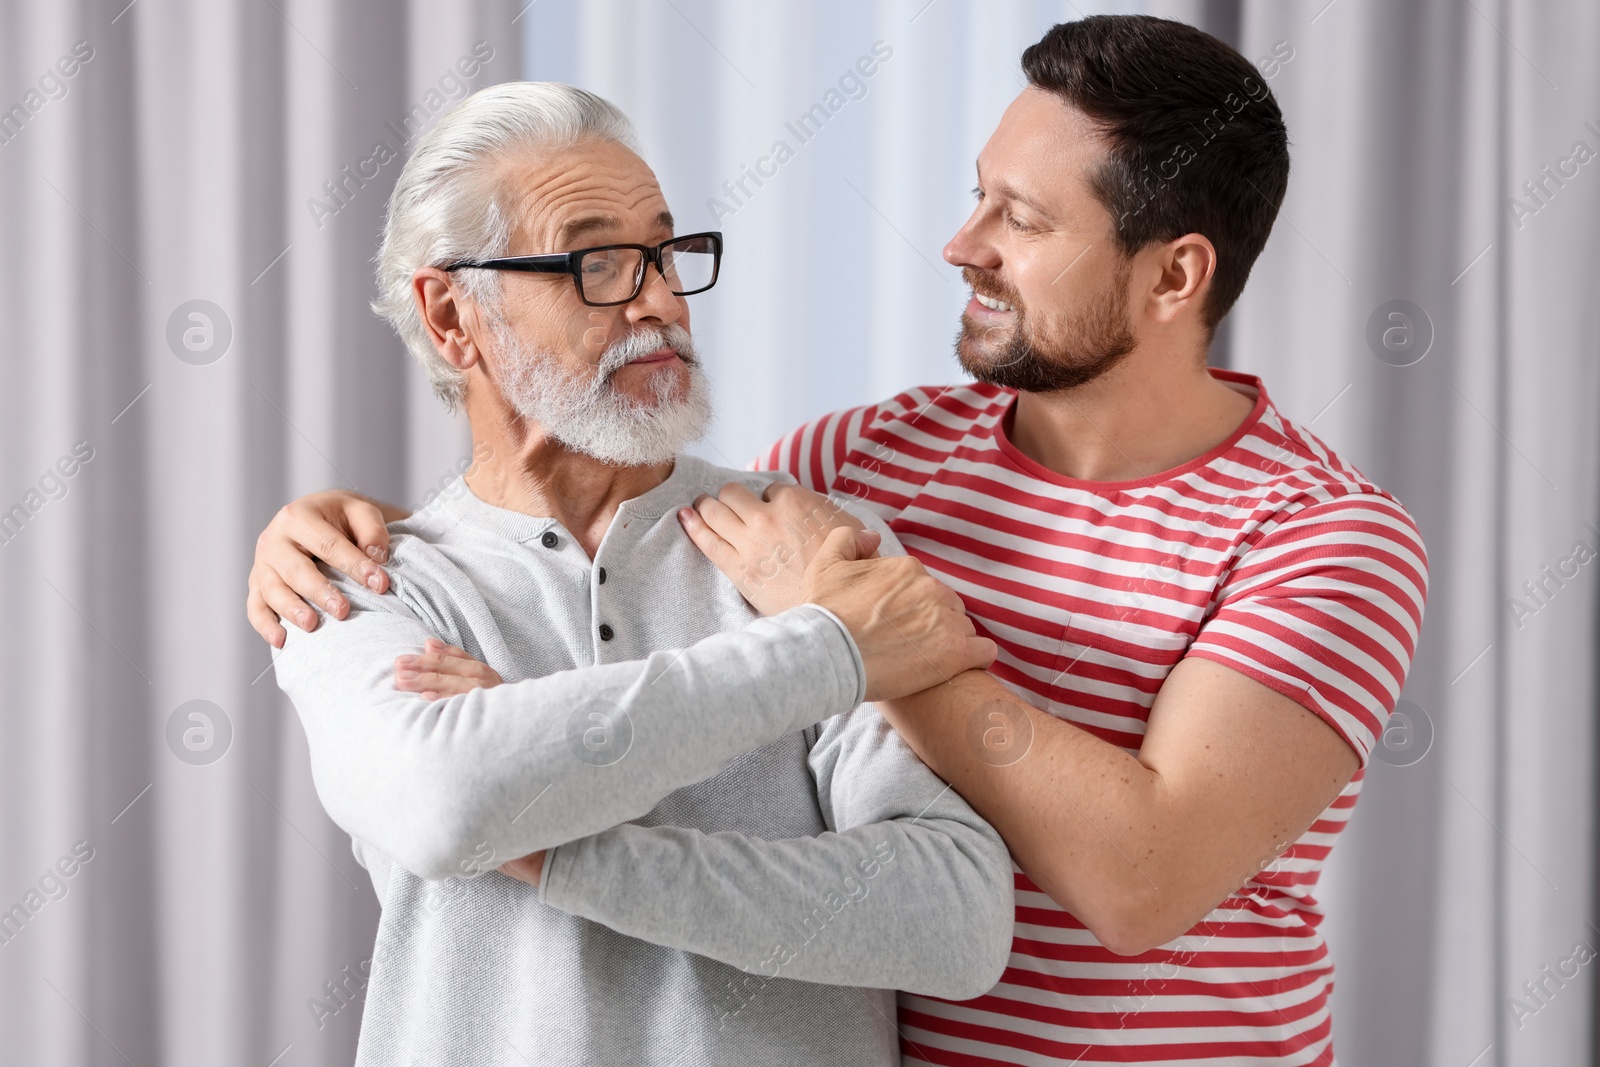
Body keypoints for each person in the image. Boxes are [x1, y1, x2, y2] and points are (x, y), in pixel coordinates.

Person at [251, 16, 1429, 1066]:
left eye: (1019, 219)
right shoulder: (857, 466)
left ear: (1175, 275)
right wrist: (338, 534)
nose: (962, 244)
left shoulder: (1324, 538)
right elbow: (593, 516)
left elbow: (1129, 882)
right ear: (451, 311)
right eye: (979, 194)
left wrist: (856, 649)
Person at [264, 79, 1015, 1067]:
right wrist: (823, 653)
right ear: (452, 316)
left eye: (665, 252)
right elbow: (445, 803)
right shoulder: (357, 579)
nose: (660, 298)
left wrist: (552, 838)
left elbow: (954, 919)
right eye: (599, 263)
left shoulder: (803, 546)